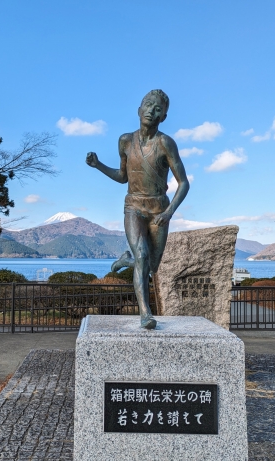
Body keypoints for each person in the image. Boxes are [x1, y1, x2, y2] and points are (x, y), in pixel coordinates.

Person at [86, 89, 189, 329]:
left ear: (163, 116)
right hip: (133, 206)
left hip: (158, 210)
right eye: (148, 105)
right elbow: (123, 176)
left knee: (151, 266)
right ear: (139, 110)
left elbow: (183, 182)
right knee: (142, 256)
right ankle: (145, 313)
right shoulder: (125, 141)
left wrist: (169, 211)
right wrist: (98, 165)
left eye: (158, 109)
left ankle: (126, 260)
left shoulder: (165, 143)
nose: (151, 111)